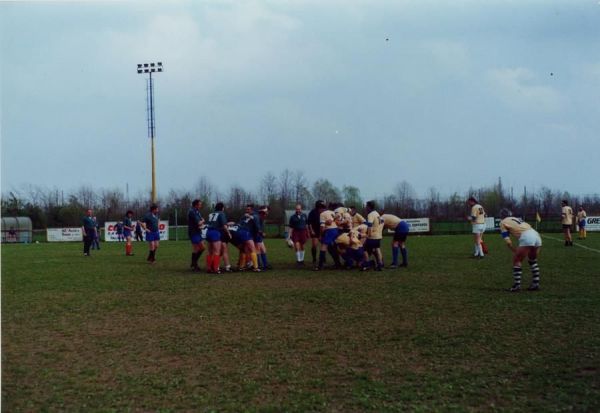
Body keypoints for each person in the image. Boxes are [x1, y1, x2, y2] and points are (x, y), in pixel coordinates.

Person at [498, 209, 542, 292]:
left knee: (517, 260)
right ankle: (536, 283)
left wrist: (513, 250)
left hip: (526, 236)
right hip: (536, 234)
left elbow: (507, 239)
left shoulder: (503, 222)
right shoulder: (516, 218)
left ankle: (516, 286)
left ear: (501, 216)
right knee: (532, 260)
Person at [316, 202, 342, 270]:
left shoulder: (322, 214)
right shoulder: (333, 212)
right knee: (332, 248)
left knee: (323, 247)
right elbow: (337, 222)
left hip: (329, 231)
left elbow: (322, 227)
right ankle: (338, 263)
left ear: (320, 209)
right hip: (336, 230)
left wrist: (321, 236)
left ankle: (320, 266)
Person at [205, 202, 230, 274]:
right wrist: (228, 233)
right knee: (217, 251)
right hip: (215, 232)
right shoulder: (221, 213)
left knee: (209, 252)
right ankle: (216, 269)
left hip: (208, 232)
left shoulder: (211, 214)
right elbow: (224, 226)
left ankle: (209, 268)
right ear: (222, 208)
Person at [364, 200, 384, 271]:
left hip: (373, 236)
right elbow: (381, 222)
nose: (365, 208)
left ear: (369, 207)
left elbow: (369, 226)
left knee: (364, 249)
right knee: (376, 249)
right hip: (378, 235)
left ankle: (367, 265)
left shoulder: (370, 214)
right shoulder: (377, 213)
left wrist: (368, 235)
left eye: (366, 206)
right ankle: (380, 264)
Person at [187, 199, 206, 271]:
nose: (201, 206)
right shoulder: (192, 212)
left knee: (201, 248)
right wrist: (203, 221)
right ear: (196, 205)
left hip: (197, 232)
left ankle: (194, 263)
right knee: (198, 248)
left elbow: (200, 222)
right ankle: (194, 264)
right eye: (200, 204)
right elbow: (199, 222)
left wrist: (201, 223)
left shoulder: (197, 212)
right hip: (193, 232)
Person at [307, 200, 325, 267]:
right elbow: (309, 222)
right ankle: (314, 259)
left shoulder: (324, 212)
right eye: (320, 206)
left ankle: (323, 258)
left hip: (323, 231)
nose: (321, 207)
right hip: (315, 231)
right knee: (314, 245)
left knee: (323, 245)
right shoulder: (312, 212)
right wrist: (311, 230)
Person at [254, 205, 271, 270]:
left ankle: (265, 264)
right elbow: (257, 227)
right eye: (266, 210)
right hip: (256, 234)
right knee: (258, 249)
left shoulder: (262, 217)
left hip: (259, 235)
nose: (267, 212)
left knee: (263, 249)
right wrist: (261, 232)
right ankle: (259, 264)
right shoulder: (257, 216)